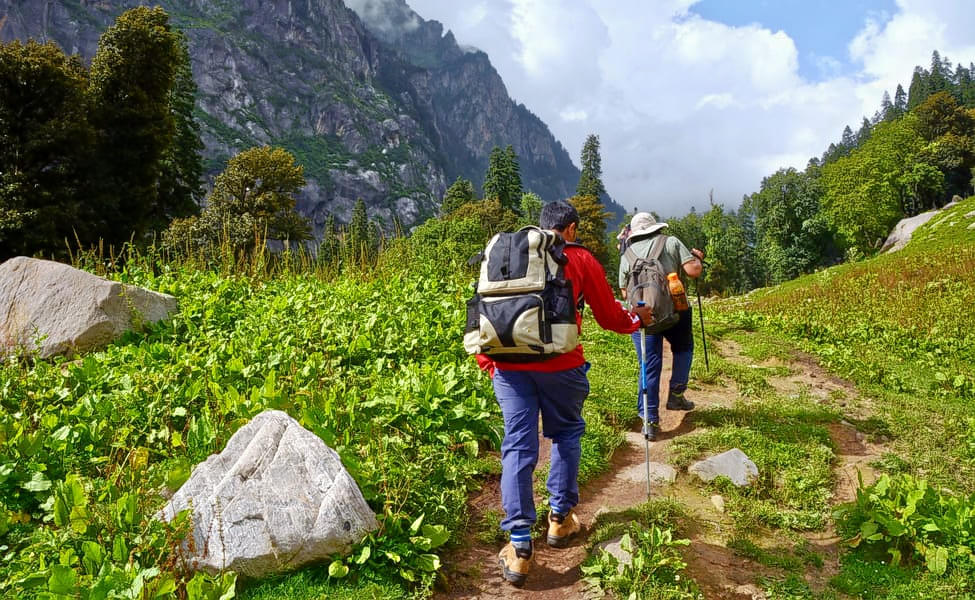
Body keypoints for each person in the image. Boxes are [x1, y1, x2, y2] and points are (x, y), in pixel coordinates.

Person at [476, 201, 653, 586]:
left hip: (508, 368)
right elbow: (609, 317)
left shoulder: (507, 254)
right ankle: (559, 520)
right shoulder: (579, 259)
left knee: (518, 447)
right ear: (570, 229)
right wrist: (638, 318)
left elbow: (486, 309)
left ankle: (520, 546)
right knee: (566, 434)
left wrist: (491, 364)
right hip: (562, 366)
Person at [618, 212, 704, 441]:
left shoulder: (627, 253)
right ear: (655, 228)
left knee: (649, 363)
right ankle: (676, 394)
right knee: (683, 348)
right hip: (675, 311)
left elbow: (625, 292)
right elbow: (693, 271)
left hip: (644, 317)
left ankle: (649, 419)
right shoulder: (671, 242)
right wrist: (697, 259)